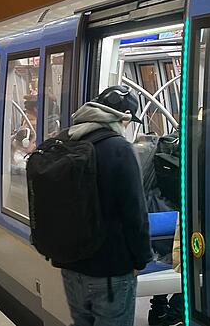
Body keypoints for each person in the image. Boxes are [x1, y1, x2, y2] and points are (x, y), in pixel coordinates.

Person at [56, 85, 152, 326]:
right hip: (110, 270)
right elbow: (135, 215)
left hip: (70, 267)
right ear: (124, 117)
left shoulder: (64, 139)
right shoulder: (119, 148)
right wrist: (140, 260)